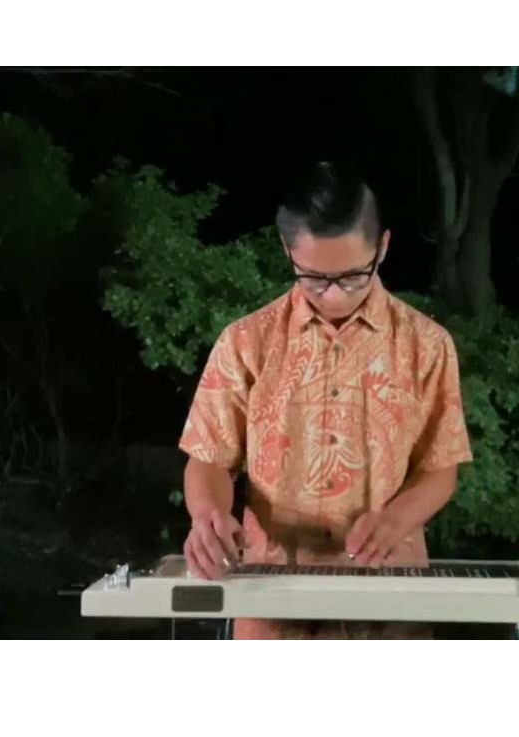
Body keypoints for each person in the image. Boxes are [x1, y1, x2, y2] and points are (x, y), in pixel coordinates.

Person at [178, 161, 473, 639]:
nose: (333, 296)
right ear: (288, 251)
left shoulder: (426, 345)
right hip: (270, 600)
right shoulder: (247, 342)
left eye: (353, 277)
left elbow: (440, 467)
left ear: (383, 247)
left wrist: (398, 518)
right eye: (314, 278)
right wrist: (208, 514)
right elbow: (208, 458)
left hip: (389, 600)